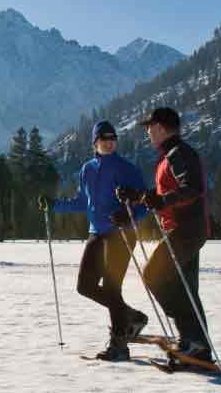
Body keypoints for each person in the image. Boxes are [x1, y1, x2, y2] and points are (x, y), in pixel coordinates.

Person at [39, 120, 149, 361]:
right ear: (94, 143)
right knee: (84, 286)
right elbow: (82, 202)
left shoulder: (127, 168)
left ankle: (120, 345)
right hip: (96, 232)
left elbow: (145, 204)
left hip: (121, 234)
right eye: (104, 139)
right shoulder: (87, 169)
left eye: (112, 139)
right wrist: (54, 204)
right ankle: (132, 316)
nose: (109, 143)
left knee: (112, 288)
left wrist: (127, 215)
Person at [116, 107, 213, 365]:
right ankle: (198, 345)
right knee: (186, 288)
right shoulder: (172, 154)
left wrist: (160, 200)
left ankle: (191, 339)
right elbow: (166, 194)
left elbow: (192, 188)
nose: (148, 132)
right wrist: (138, 197)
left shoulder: (178, 154)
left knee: (153, 275)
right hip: (187, 228)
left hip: (186, 228)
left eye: (149, 127)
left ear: (160, 127)